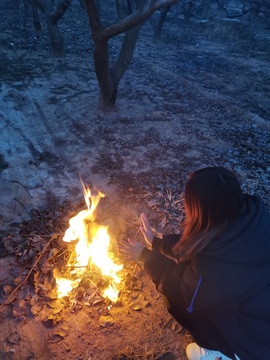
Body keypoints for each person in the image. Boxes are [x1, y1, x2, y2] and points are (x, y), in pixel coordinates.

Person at [119, 166, 270, 360]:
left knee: (175, 299)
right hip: (260, 311)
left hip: (258, 345)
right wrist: (158, 243)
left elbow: (183, 292)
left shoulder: (210, 266)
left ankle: (220, 352)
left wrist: (145, 257)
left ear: (203, 210)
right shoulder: (255, 217)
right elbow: (207, 243)